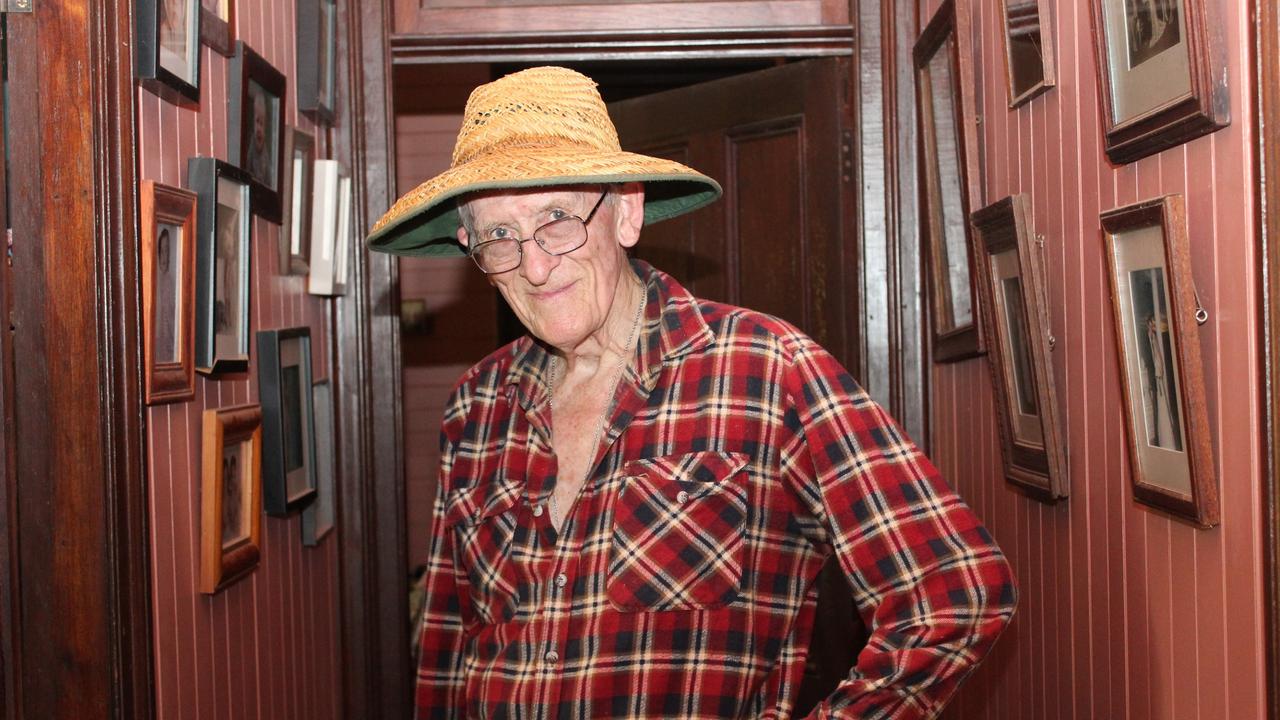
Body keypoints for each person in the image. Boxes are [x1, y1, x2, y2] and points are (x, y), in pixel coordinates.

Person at [368, 66, 1016, 719]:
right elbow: (451, 647)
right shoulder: (474, 407)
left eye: (557, 218)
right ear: (468, 246)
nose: (534, 266)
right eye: (499, 237)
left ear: (626, 212)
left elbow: (955, 594)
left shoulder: (768, 369)